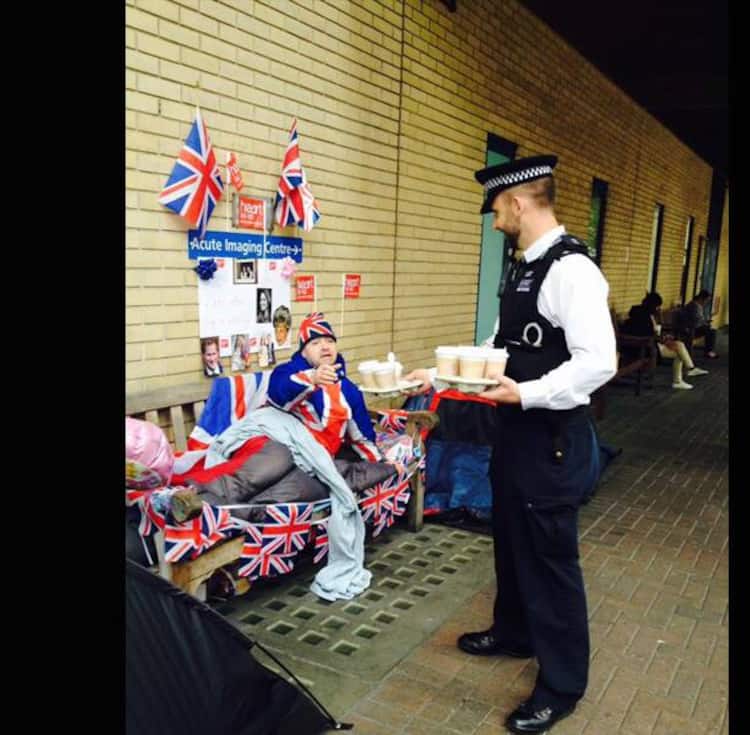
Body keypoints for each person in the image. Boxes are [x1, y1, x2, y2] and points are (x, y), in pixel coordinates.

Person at [405, 155, 614, 733]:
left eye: (497, 210)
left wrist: (526, 394)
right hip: (516, 438)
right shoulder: (524, 270)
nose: (495, 222)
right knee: (513, 541)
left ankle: (562, 685)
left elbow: (599, 362)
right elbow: (494, 352)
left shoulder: (572, 271)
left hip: (551, 441)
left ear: (519, 203)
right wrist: (435, 375)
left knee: (549, 560)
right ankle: (515, 632)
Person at [267, 312, 381, 462]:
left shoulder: (347, 387)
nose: (325, 347)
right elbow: (277, 395)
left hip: (325, 459)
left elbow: (362, 434)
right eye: (315, 343)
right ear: (303, 353)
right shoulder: (285, 372)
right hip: (284, 455)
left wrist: (379, 463)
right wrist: (312, 378)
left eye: (330, 341)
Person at [625, 293, 707, 389]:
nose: (658, 309)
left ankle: (687, 371)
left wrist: (663, 337)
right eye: (658, 306)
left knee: (679, 346)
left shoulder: (645, 313)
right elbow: (647, 334)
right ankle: (683, 375)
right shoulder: (644, 317)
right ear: (653, 305)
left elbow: (651, 332)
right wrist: (663, 340)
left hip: (650, 343)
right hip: (645, 346)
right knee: (679, 351)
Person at [677, 290, 719, 359]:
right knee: (711, 331)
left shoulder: (696, 305)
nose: (706, 303)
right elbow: (696, 321)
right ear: (701, 298)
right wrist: (705, 322)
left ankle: (709, 351)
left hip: (691, 327)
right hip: (689, 329)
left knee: (710, 330)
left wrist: (705, 322)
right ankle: (708, 351)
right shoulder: (694, 306)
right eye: (706, 300)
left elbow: (697, 319)